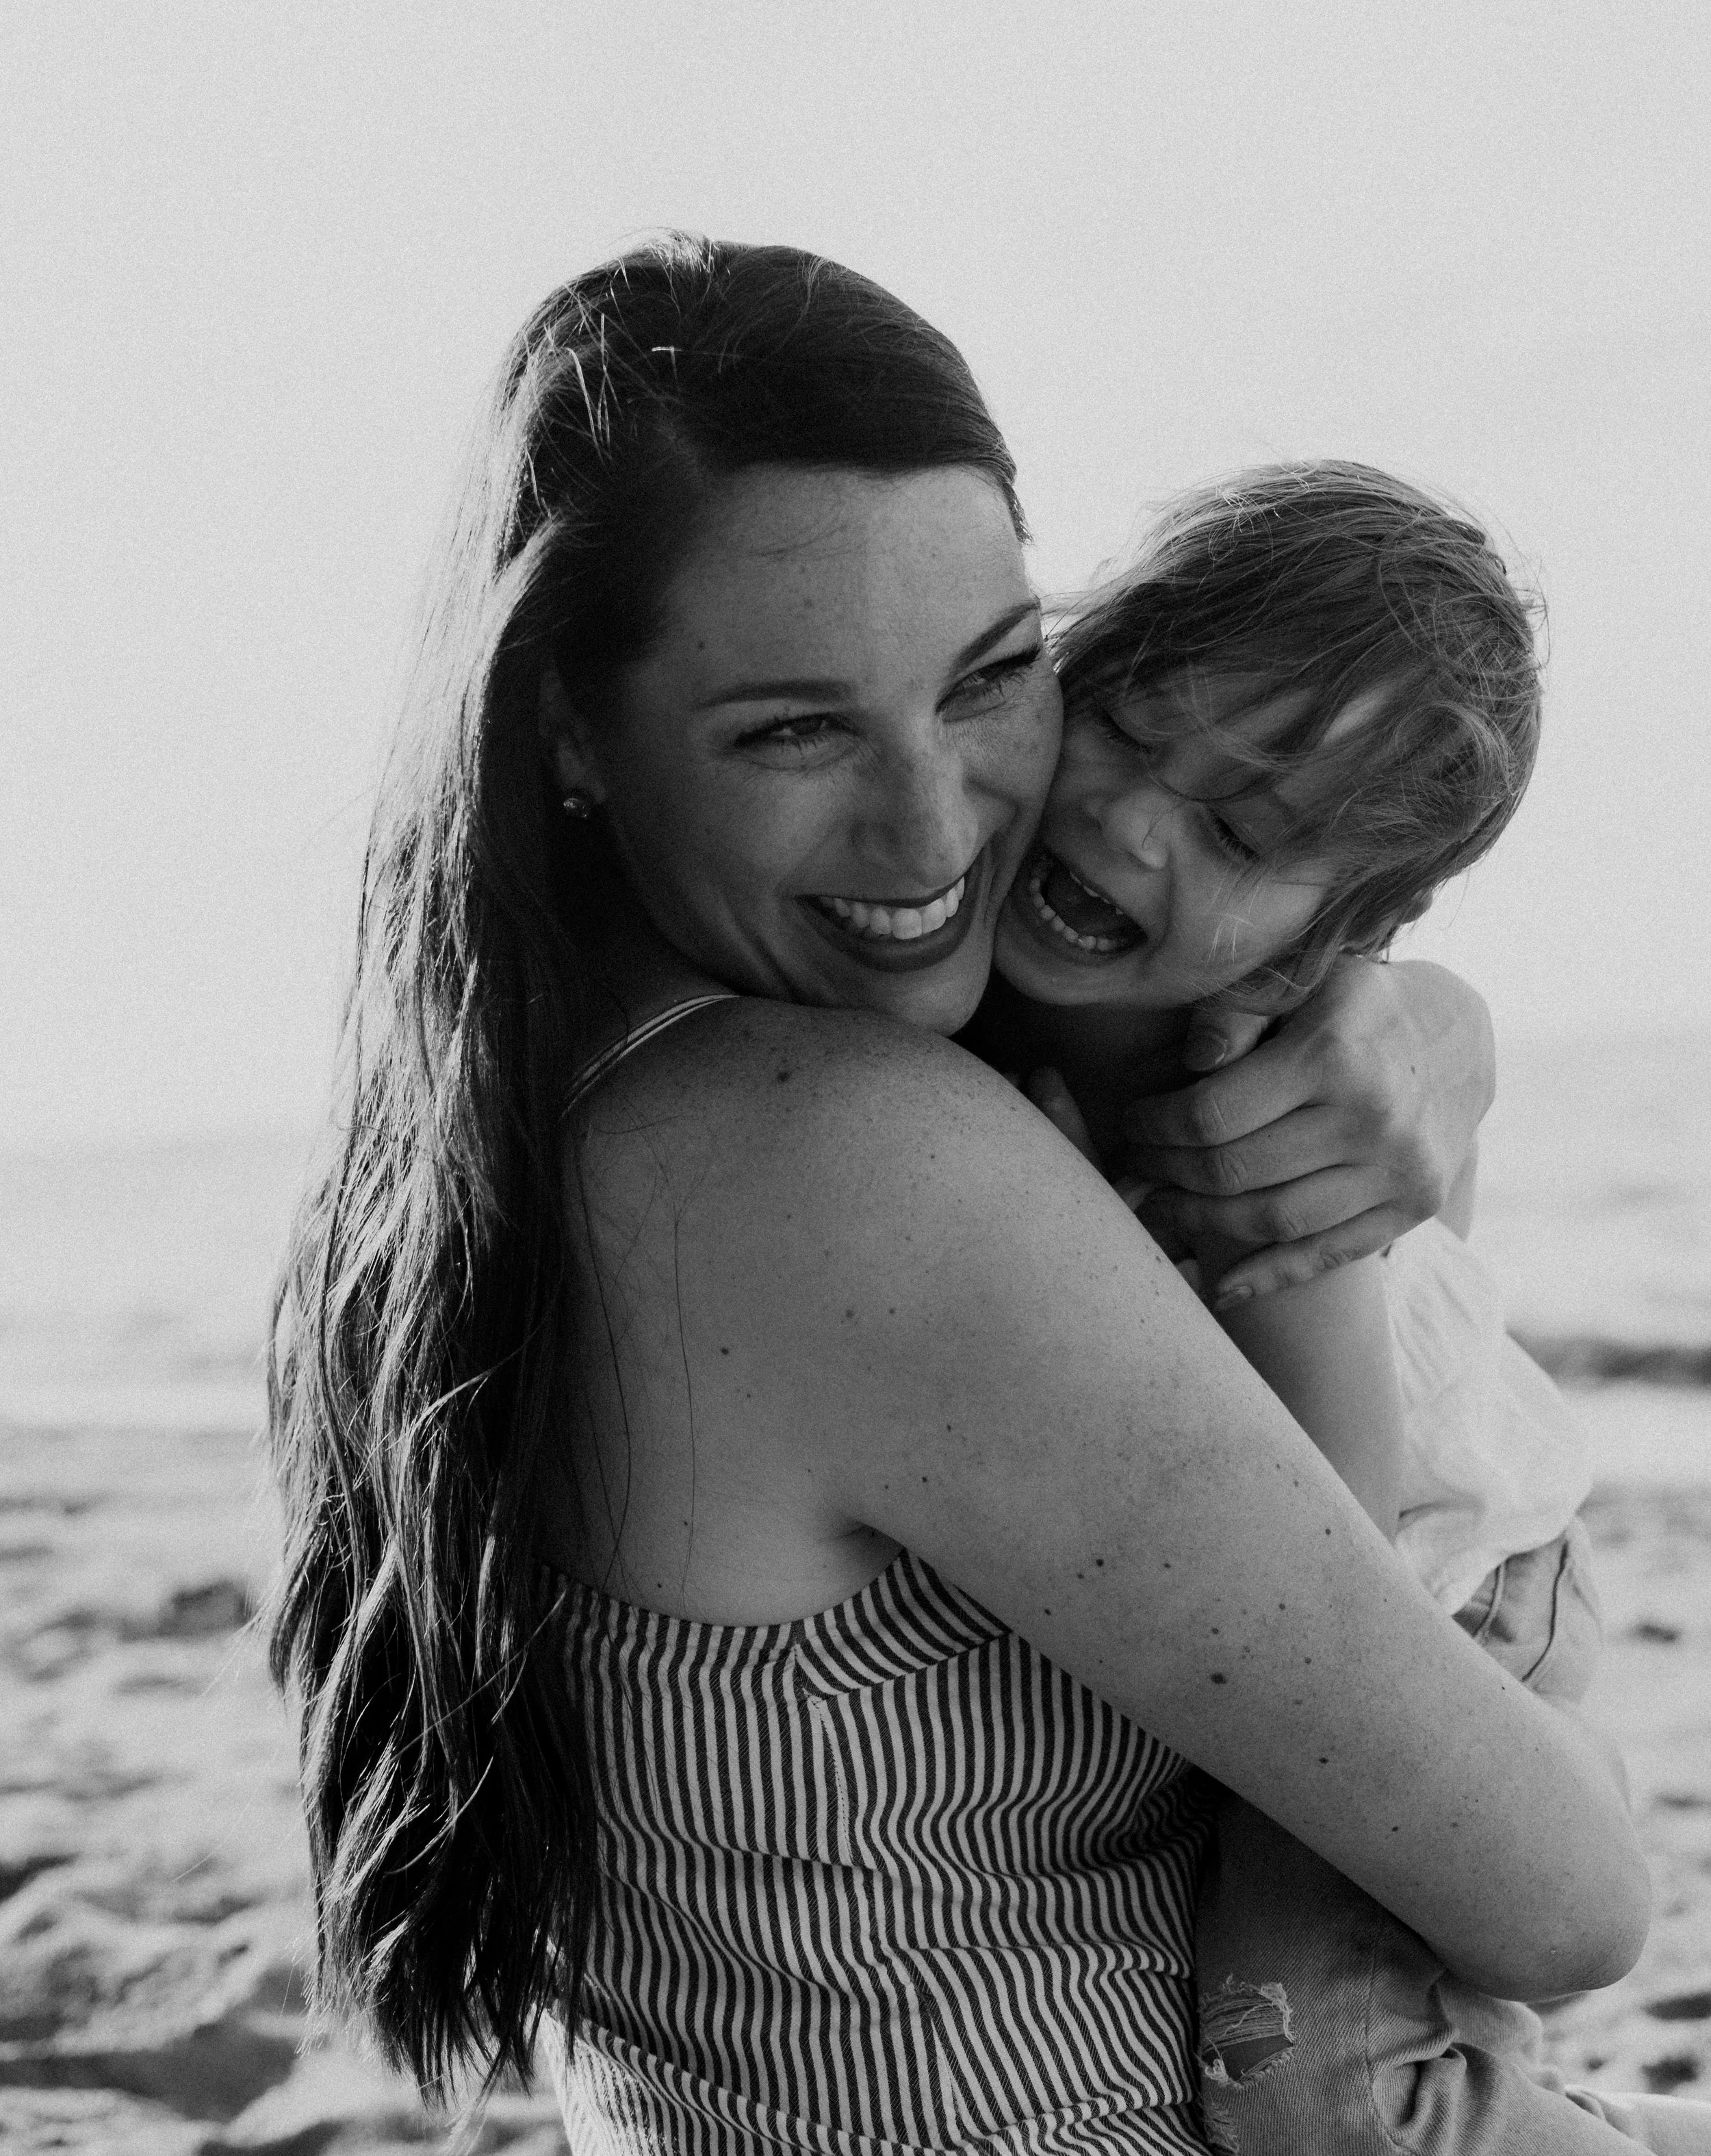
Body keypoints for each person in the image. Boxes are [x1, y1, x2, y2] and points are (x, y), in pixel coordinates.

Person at [268, 238, 1649, 2156]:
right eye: (791, 728)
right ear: (568, 729)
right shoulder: (854, 1159)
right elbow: (1566, 1900)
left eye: (992, 678)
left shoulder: (485, 1127)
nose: (941, 832)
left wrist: (1400, 1018)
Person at [981, 461, 1711, 2151]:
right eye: (1123, 726)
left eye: (1237, 830)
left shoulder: (1244, 1138)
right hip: (1361, 1579)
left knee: (1315, 2090)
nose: (1124, 820)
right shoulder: (989, 995)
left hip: (1441, 1588)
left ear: (1340, 935)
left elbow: (1341, 1558)